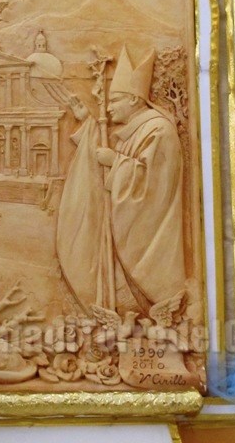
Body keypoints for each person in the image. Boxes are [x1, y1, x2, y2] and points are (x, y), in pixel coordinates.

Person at [57, 45, 185, 315]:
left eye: (115, 101)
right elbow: (109, 157)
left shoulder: (159, 131)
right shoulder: (136, 131)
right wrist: (88, 123)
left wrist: (116, 163)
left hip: (149, 244)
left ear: (135, 100)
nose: (109, 107)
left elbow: (154, 187)